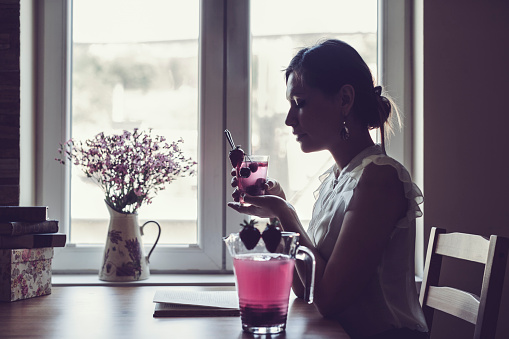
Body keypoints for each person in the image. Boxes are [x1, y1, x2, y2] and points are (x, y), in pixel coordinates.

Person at [228, 39, 429, 339]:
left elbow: (329, 301)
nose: (288, 119)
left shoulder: (379, 179)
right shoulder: (337, 179)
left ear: (345, 99)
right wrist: (278, 213)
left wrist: (286, 212)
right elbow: (303, 288)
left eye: (299, 103)